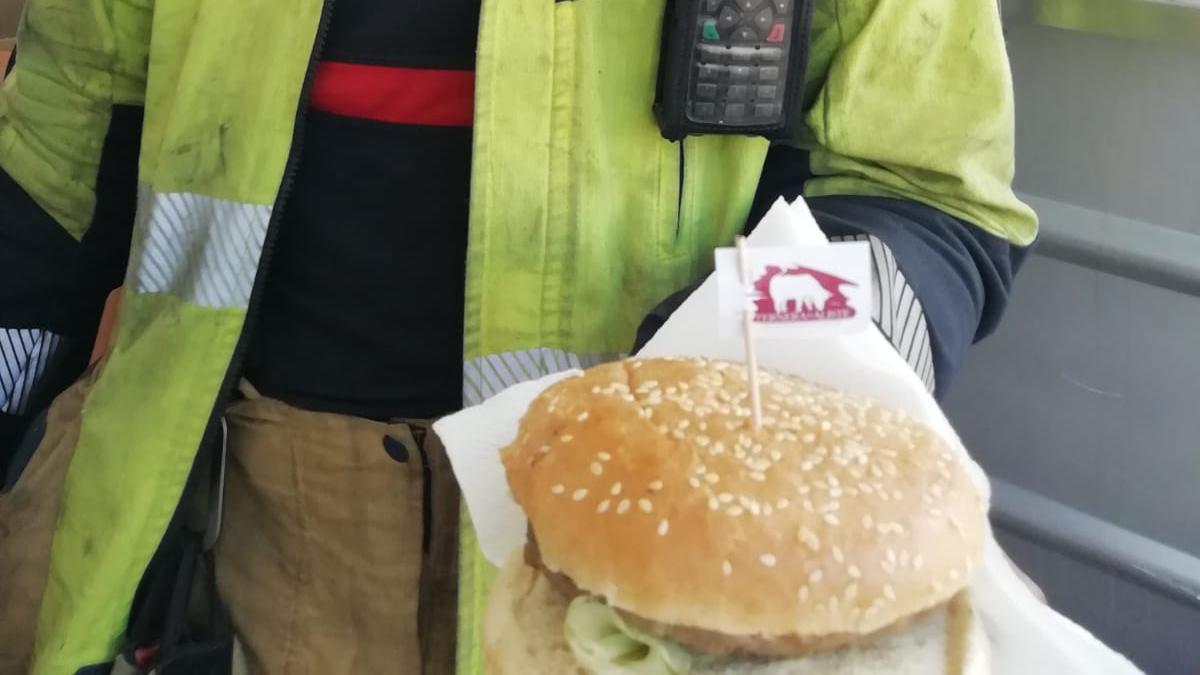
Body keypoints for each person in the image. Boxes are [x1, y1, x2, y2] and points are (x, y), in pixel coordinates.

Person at [0, 0, 1036, 673]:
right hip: (258, 543)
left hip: (641, 602)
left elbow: (925, 191)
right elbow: (56, 157)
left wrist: (792, 380)